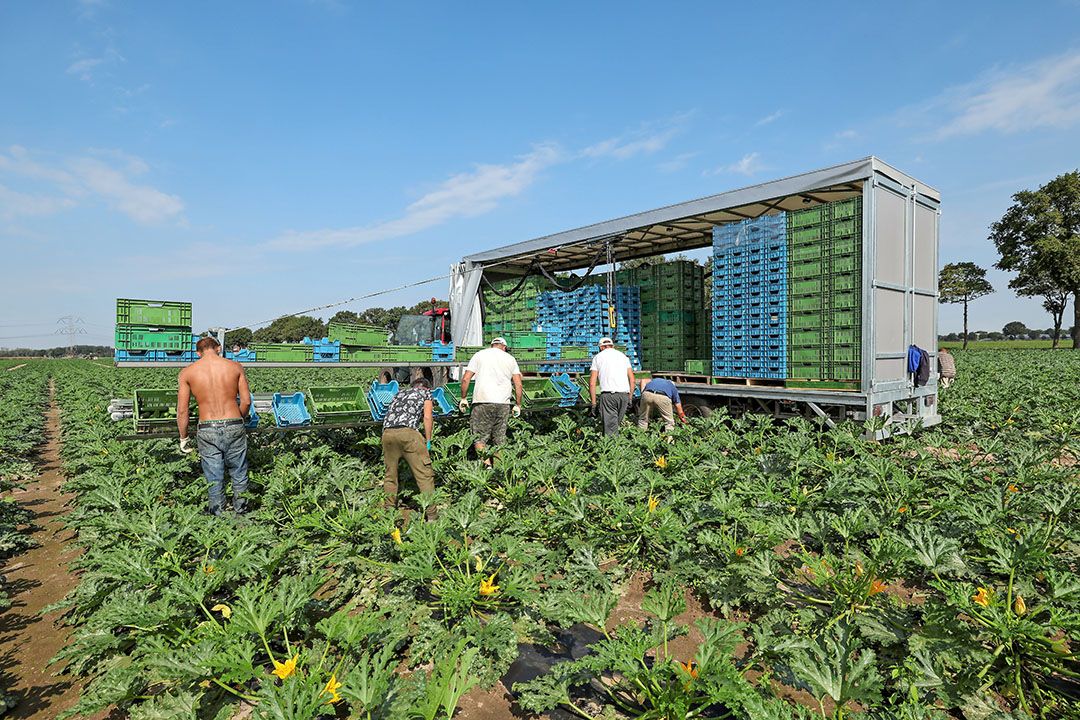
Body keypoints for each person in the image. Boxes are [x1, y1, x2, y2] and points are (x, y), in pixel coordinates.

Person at [177, 336, 251, 516]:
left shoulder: (187, 373)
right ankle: (242, 513)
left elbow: (182, 411)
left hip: (207, 427)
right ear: (218, 348)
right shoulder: (235, 367)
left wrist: (183, 437)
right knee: (239, 472)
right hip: (234, 422)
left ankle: (218, 518)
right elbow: (247, 401)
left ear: (197, 353)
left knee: (214, 476)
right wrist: (238, 420)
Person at [458, 337, 523, 462]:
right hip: (503, 404)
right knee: (499, 439)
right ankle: (499, 468)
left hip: (482, 402)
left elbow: (466, 379)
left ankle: (487, 466)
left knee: (479, 437)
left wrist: (464, 397)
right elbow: (518, 384)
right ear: (504, 347)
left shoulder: (479, 355)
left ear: (492, 345)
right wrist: (518, 404)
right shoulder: (510, 359)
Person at [381, 376, 436, 520]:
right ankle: (432, 517)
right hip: (408, 434)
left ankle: (389, 513)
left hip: (387, 434)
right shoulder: (425, 393)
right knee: (424, 475)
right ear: (426, 387)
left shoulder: (399, 393)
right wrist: (428, 440)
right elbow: (427, 417)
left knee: (390, 476)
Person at [589, 337, 635, 436]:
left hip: (609, 396)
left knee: (610, 431)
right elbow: (632, 379)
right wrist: (630, 397)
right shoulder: (623, 357)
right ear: (612, 346)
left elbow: (592, 382)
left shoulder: (598, 357)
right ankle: (617, 448)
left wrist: (593, 404)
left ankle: (611, 450)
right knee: (615, 426)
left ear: (601, 347)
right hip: (624, 395)